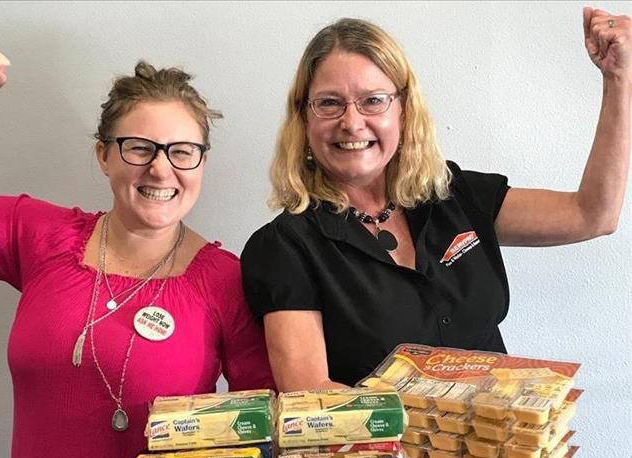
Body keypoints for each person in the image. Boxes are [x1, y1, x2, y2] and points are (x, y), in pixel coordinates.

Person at [0, 41, 273, 458]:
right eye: (139, 147)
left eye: (183, 150)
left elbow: (265, 439)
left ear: (202, 162)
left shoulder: (228, 283)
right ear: (103, 156)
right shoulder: (44, 239)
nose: (161, 167)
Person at [241, 8, 630, 392]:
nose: (352, 122)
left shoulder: (454, 194)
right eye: (329, 103)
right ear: (304, 119)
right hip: (388, 454)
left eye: (373, 100)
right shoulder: (285, 247)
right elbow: (311, 394)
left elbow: (592, 215)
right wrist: (446, 425)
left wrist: (619, 78)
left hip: (503, 447)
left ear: (404, 111)